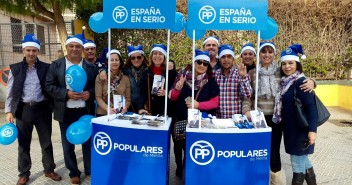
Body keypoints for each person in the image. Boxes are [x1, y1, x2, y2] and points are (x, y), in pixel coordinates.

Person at [242, 42, 315, 185]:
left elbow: (297, 77)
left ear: (274, 54)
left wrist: (312, 81)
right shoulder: (252, 73)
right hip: (258, 118)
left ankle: (277, 181)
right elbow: (247, 96)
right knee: (257, 151)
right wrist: (246, 110)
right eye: (263, 52)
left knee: (274, 152)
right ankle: (256, 179)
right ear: (259, 54)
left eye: (270, 51)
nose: (267, 55)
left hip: (278, 118)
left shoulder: (281, 70)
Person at [5, 34, 62, 185]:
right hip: (23, 111)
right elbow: (10, 92)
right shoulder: (15, 69)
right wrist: (9, 111)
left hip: (42, 109)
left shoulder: (46, 67)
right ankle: (24, 173)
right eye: (28, 50)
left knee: (46, 142)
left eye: (34, 50)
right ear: (24, 50)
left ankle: (49, 170)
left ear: (37, 51)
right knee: (23, 144)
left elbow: (51, 87)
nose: (31, 53)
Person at [45, 34, 98, 185]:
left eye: (77, 46)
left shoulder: (90, 67)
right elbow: (48, 86)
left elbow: (97, 87)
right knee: (68, 144)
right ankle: (74, 172)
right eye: (71, 46)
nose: (74, 49)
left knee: (88, 142)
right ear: (66, 47)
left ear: (82, 49)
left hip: (85, 112)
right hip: (65, 111)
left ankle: (90, 170)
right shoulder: (56, 65)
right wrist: (66, 94)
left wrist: (90, 93)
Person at [169, 49, 220, 178]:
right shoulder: (182, 76)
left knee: (192, 146)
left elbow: (215, 102)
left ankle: (188, 169)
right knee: (178, 145)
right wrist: (177, 89)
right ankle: (179, 167)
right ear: (194, 62)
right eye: (199, 62)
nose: (202, 65)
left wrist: (198, 105)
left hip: (200, 121)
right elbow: (172, 97)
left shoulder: (211, 81)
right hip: (180, 117)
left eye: (205, 63)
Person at [273, 44, 318, 185]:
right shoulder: (285, 83)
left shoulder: (301, 82)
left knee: (297, 165)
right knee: (304, 163)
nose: (287, 67)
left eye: (291, 63)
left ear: (297, 64)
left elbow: (312, 108)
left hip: (301, 131)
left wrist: (312, 131)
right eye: (284, 63)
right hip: (292, 130)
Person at [214, 44, 252, 118]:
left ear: (233, 59)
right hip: (219, 119)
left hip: (236, 119)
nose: (226, 60)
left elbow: (248, 95)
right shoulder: (215, 74)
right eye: (223, 57)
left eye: (229, 57)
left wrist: (243, 77)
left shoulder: (240, 73)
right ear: (219, 59)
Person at [95, 49, 131, 117]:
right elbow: (98, 97)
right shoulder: (101, 77)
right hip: (103, 113)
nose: (114, 62)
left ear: (120, 62)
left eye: (116, 60)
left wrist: (125, 107)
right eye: (111, 60)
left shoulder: (125, 79)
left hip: (120, 114)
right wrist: (107, 108)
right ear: (107, 62)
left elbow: (128, 99)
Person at [123, 45, 149, 114]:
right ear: (130, 59)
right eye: (133, 58)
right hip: (129, 108)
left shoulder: (149, 72)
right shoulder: (125, 72)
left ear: (143, 58)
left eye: (139, 57)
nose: (136, 60)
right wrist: (102, 70)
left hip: (145, 108)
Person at [147, 44, 169, 116]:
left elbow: (175, 91)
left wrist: (167, 93)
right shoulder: (146, 72)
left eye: (160, 54)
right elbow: (142, 92)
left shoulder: (170, 72)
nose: (157, 56)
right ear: (151, 56)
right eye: (155, 53)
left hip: (166, 111)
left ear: (164, 57)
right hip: (150, 111)